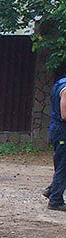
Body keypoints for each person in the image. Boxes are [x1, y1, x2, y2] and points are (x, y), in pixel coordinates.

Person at [43, 76, 66, 210]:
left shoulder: (60, 82)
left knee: (61, 163)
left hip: (56, 130)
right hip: (62, 132)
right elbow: (65, 115)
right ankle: (55, 200)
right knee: (63, 165)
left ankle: (52, 190)